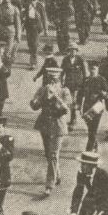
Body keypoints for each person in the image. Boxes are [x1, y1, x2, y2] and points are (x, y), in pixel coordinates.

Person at [31, 66, 71, 196]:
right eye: (50, 79)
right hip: (45, 124)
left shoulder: (64, 91)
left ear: (59, 80)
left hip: (58, 125)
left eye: (55, 80)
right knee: (49, 154)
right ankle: (57, 175)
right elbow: (34, 106)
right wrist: (36, 99)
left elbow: (66, 109)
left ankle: (49, 185)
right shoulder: (43, 90)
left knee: (53, 155)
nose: (52, 82)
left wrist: (56, 97)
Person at [80, 61, 108, 152]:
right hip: (87, 107)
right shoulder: (86, 80)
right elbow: (80, 93)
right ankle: (94, 143)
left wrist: (100, 93)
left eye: (94, 69)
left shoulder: (101, 80)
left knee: (93, 129)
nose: (92, 70)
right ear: (88, 69)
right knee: (90, 129)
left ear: (97, 69)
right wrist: (78, 104)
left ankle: (88, 150)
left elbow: (107, 94)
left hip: (97, 107)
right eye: (91, 68)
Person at [61, 44, 88, 132]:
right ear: (69, 51)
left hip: (78, 85)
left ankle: (75, 120)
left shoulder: (80, 60)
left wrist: (84, 83)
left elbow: (84, 73)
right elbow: (62, 72)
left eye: (74, 50)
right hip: (68, 84)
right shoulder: (65, 60)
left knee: (75, 102)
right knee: (70, 102)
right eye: (71, 50)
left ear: (76, 51)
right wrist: (61, 82)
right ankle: (73, 120)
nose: (73, 52)